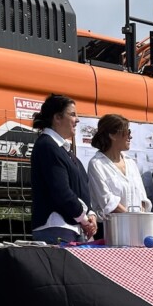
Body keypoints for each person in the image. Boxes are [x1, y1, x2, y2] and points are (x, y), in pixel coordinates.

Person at [29, 93, 96, 244]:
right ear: (57, 118)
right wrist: (85, 219)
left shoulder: (64, 150)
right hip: (56, 227)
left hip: (72, 227)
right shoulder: (47, 146)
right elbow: (61, 191)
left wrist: (90, 214)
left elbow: (81, 186)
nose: (77, 119)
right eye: (72, 114)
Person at [86, 113, 150, 223]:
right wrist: (132, 219)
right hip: (111, 229)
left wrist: (139, 220)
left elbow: (143, 198)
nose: (130, 137)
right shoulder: (97, 164)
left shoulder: (131, 163)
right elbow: (108, 201)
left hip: (136, 226)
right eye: (127, 132)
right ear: (112, 135)